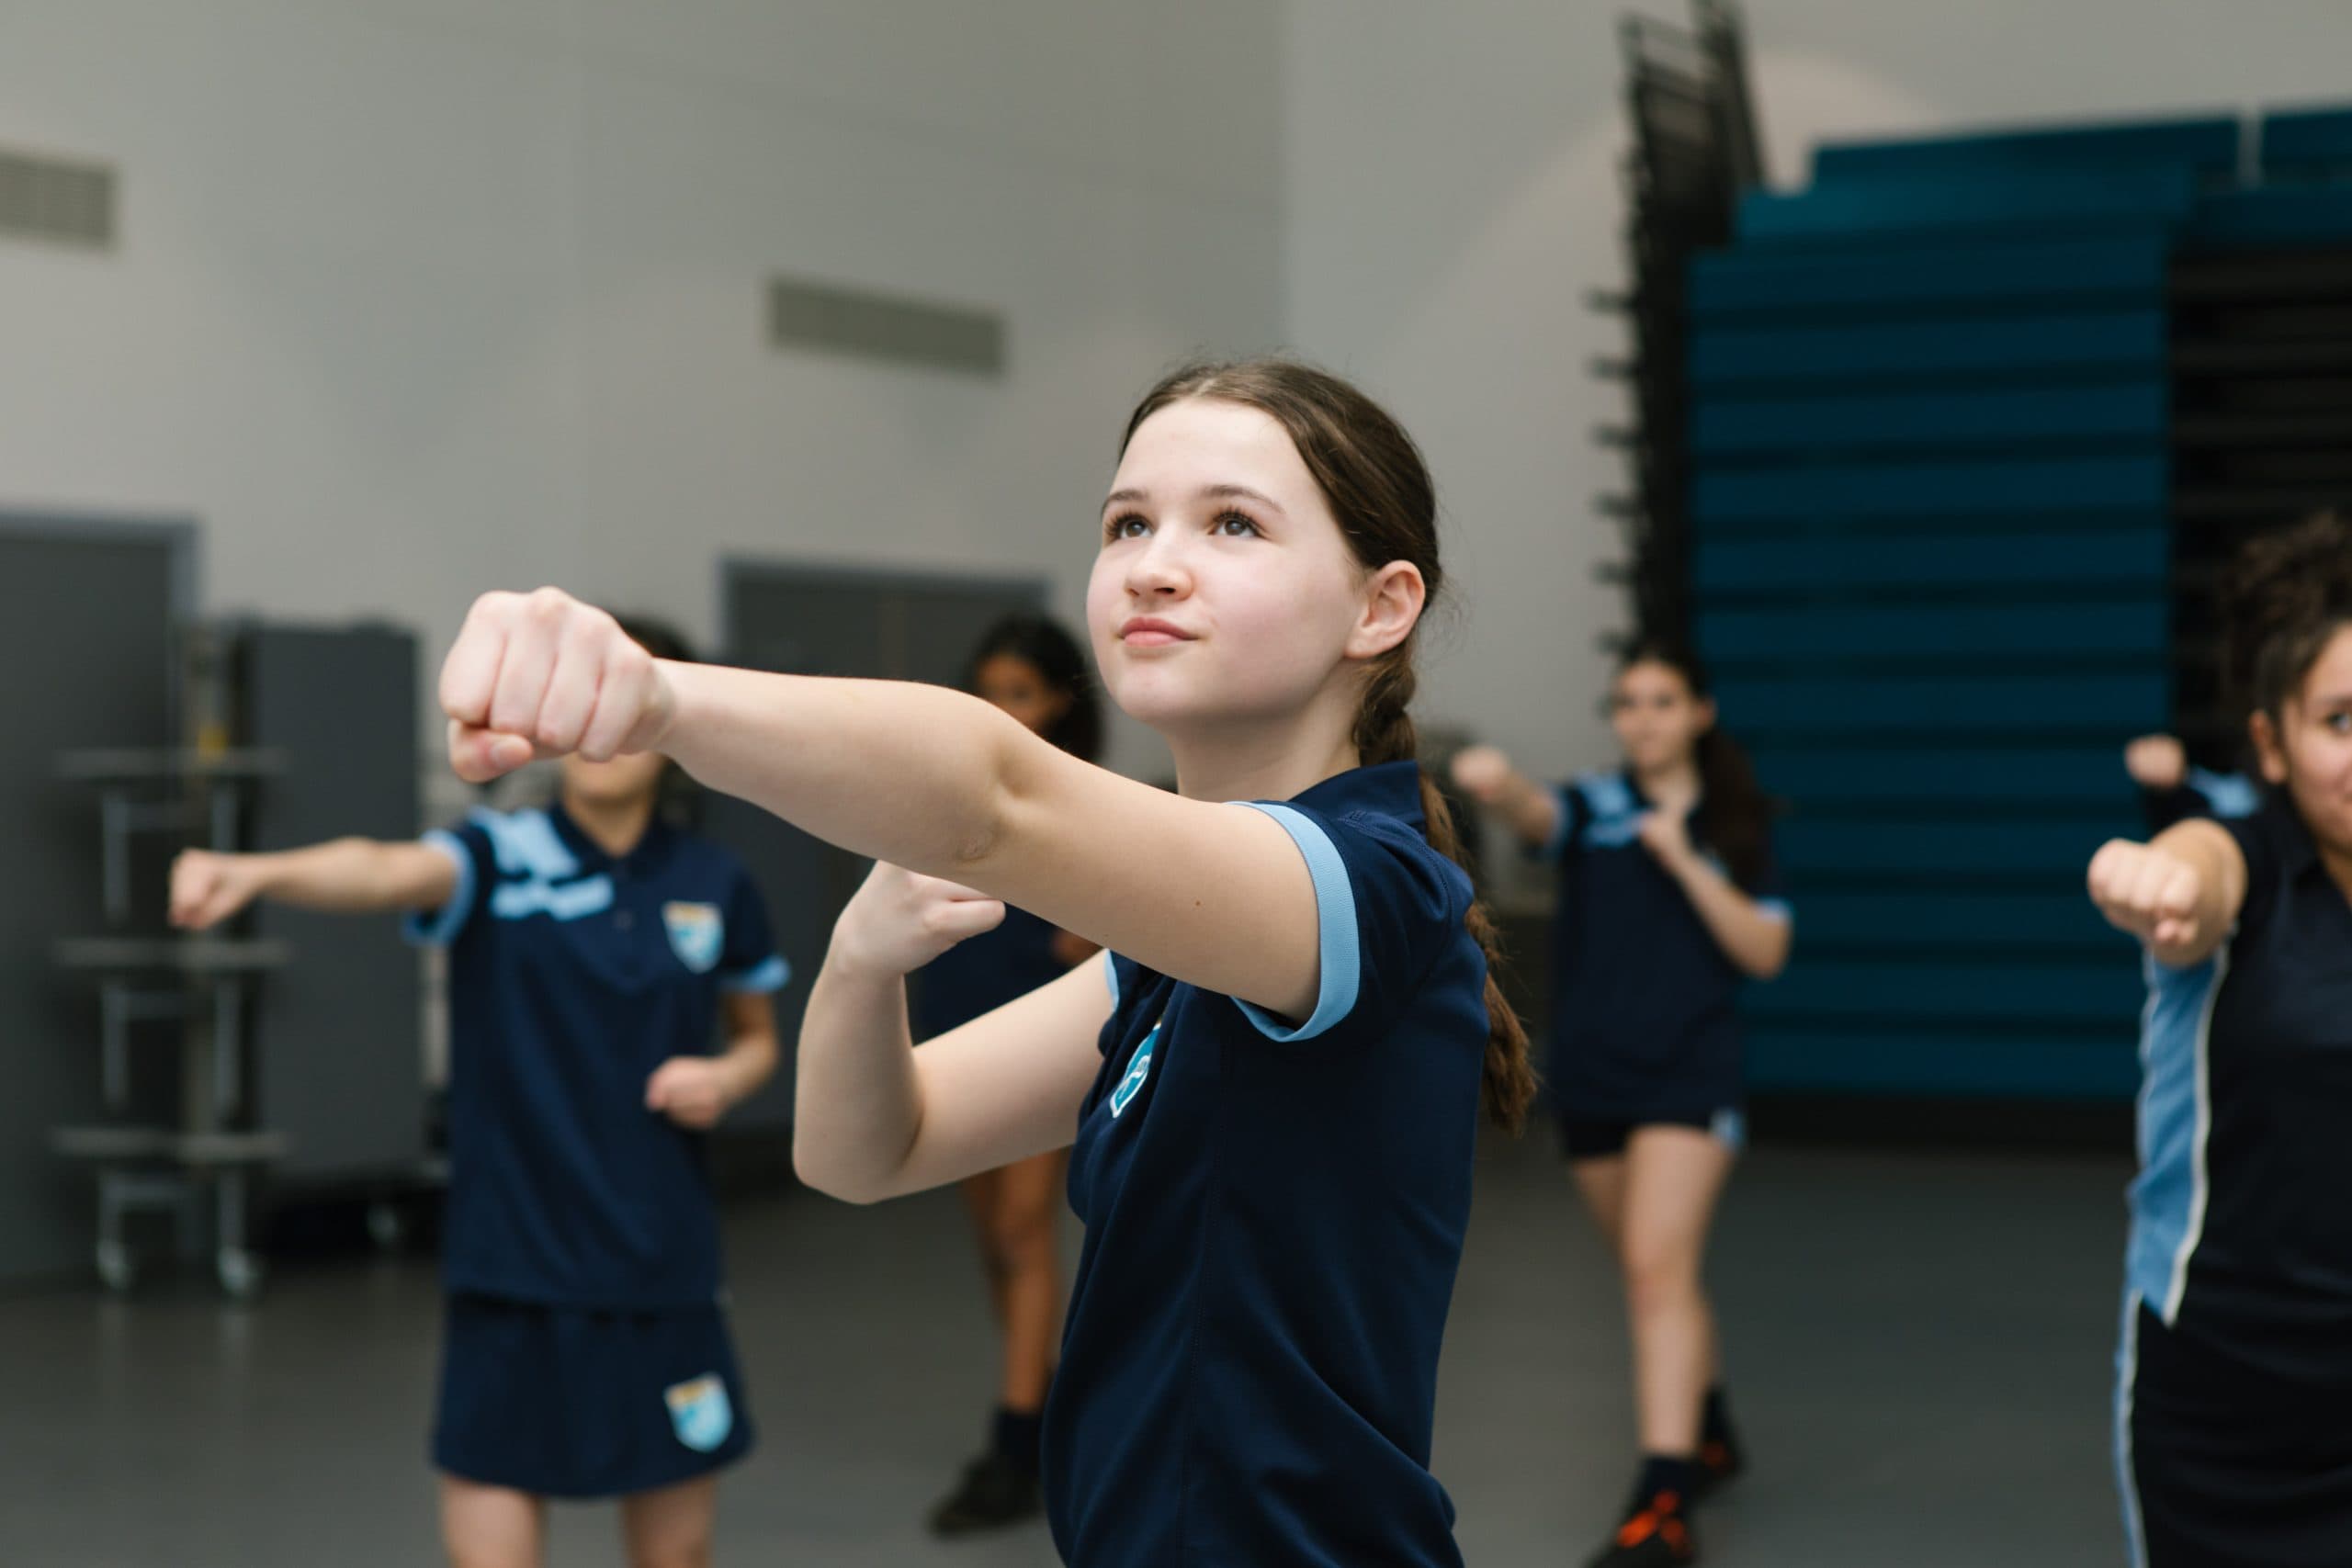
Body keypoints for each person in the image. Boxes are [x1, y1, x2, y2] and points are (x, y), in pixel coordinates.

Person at [429, 358, 1534, 1567]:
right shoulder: (1175, 956)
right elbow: (865, 1150)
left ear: (1380, 607)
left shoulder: (1369, 886)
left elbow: (992, 794)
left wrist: (657, 701)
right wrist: (862, 962)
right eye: (1128, 523)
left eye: (1233, 523)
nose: (1154, 564)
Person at [170, 617, 787, 1568]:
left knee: (677, 1556)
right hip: (511, 1269)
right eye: (583, 703)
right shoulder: (499, 855)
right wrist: (254, 870)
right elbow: (383, 869)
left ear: (671, 727)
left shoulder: (716, 881)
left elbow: (758, 1041)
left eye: (628, 704)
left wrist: (728, 1075)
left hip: (660, 1268)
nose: (602, 731)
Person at [1451, 643, 1792, 1567]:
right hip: (1596, 1080)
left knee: (1653, 1274)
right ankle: (1711, 1430)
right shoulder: (1597, 805)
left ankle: (1663, 1504)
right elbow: (1538, 813)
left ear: (1699, 713)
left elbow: (1764, 951)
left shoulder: (1734, 823)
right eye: (1628, 702)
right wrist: (1499, 785)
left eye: (1662, 701)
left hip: (1689, 1079)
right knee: (1657, 1274)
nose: (1643, 718)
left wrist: (1685, 862)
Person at [2088, 512, 2352, 1568]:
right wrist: (2159, 880)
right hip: (2228, 1409)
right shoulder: (2245, 859)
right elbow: (2196, 876)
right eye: (2338, 720)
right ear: (2270, 744)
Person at [913, 613, 1102, 1534]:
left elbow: (1129, 912)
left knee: (1026, 1230)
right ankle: (1047, 1399)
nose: (1001, 708)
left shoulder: (1086, 799)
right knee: (995, 1237)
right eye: (989, 691)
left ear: (1060, 701)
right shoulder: (953, 794)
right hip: (955, 1027)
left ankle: (1017, 1442)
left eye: (1020, 693)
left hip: (1042, 1035)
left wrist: (1093, 935)